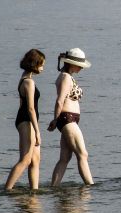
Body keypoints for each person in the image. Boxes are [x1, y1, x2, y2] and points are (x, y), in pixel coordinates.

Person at [48, 48, 94, 187]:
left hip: (68, 120)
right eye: (79, 65)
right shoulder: (66, 78)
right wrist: (55, 120)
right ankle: (90, 187)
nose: (81, 68)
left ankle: (54, 187)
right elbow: (60, 100)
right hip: (67, 119)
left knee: (65, 158)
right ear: (71, 63)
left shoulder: (66, 76)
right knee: (83, 154)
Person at [5, 49, 45, 190]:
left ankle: (34, 191)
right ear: (34, 64)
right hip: (27, 121)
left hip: (26, 120)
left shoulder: (25, 78)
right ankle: (8, 189)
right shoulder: (29, 82)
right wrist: (37, 131)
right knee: (26, 159)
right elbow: (30, 108)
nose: (42, 68)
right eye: (41, 64)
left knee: (35, 160)